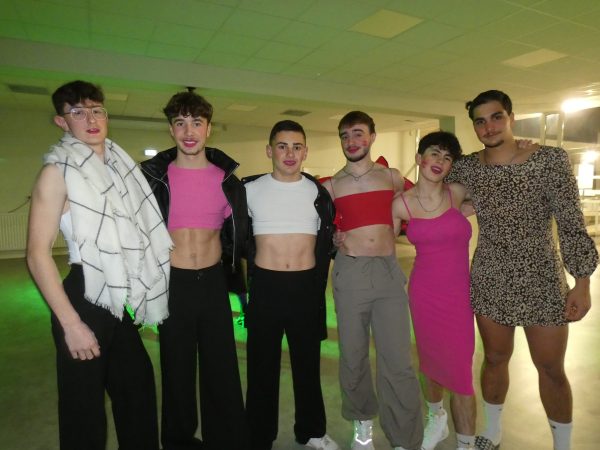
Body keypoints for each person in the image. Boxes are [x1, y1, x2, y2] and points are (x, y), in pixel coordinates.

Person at [446, 90, 598, 450]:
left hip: (542, 278)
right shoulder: (468, 167)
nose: (489, 127)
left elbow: (571, 221)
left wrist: (582, 282)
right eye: (480, 121)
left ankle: (563, 445)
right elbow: (431, 190)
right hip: (490, 277)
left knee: (551, 369)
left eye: (496, 117)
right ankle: (493, 432)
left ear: (511, 118)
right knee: (494, 359)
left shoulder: (549, 160)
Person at [27, 80, 172, 450]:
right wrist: (71, 324)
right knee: (83, 408)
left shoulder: (120, 169)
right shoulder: (57, 173)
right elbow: (36, 255)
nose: (90, 119)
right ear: (62, 122)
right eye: (78, 112)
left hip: (116, 296)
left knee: (137, 390)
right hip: (84, 293)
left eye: (96, 110)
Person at [140, 91, 248, 450]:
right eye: (180, 123)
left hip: (213, 283)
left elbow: (240, 237)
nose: (189, 132)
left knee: (221, 366)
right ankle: (179, 441)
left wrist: (243, 288)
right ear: (171, 129)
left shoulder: (227, 180)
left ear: (208, 129)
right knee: (177, 367)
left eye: (197, 123)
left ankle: (227, 440)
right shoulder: (153, 179)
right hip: (175, 284)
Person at [324, 111, 423, 450]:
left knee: (398, 360)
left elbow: (430, 198)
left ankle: (404, 438)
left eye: (358, 133)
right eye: (345, 135)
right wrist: (332, 237)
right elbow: (315, 226)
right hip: (350, 273)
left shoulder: (392, 177)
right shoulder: (331, 185)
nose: (351, 141)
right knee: (353, 357)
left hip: (387, 273)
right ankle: (362, 423)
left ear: (372, 137)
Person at [243, 120, 339, 450]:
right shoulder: (249, 190)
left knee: (307, 366)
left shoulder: (318, 193)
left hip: (305, 290)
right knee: (261, 368)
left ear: (306, 152)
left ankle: (311, 431)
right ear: (269, 150)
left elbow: (330, 236)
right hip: (266, 288)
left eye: (297, 147)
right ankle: (258, 437)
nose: (289, 153)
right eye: (282, 146)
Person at [392, 131, 476, 450]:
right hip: (424, 294)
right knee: (430, 362)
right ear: (419, 158)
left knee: (461, 369)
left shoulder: (457, 193)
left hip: (459, 295)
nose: (440, 161)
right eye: (434, 153)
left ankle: (466, 443)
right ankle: (436, 418)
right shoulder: (401, 204)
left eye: (447, 157)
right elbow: (382, 245)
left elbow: (496, 183)